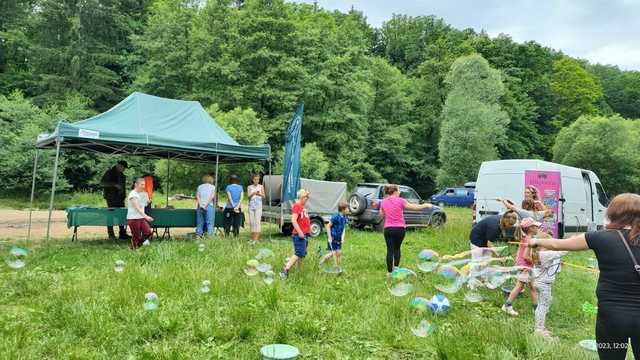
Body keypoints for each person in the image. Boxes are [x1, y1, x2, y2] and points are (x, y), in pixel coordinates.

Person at [529, 193, 640, 360]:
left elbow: (556, 244)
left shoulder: (599, 237)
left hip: (611, 317)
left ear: (613, 213)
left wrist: (535, 241)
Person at [379, 184, 433, 276]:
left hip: (388, 229)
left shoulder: (383, 202)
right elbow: (414, 207)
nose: (400, 192)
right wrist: (425, 205)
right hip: (400, 229)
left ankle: (389, 273)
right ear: (395, 191)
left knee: (390, 250)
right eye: (399, 190)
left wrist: (385, 211)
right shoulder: (401, 201)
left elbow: (381, 215)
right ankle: (396, 269)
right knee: (397, 249)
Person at [502, 218, 540, 316]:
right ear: (530, 228)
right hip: (525, 267)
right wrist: (537, 263)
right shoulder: (529, 240)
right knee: (519, 286)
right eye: (536, 226)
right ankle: (507, 305)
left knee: (533, 287)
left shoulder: (526, 238)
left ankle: (537, 309)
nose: (538, 228)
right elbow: (526, 256)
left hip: (526, 266)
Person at [528, 245, 568, 337]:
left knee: (543, 304)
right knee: (543, 306)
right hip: (544, 284)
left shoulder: (538, 253)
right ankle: (539, 330)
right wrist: (573, 241)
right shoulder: (545, 254)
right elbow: (563, 251)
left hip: (538, 282)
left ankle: (540, 327)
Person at [468, 210, 519, 279]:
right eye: (510, 225)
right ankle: (472, 282)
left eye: (512, 225)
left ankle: (484, 280)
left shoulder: (503, 219)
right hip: (476, 239)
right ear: (505, 220)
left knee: (487, 261)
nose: (510, 227)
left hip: (485, 239)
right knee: (477, 261)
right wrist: (499, 257)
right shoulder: (494, 227)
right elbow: (489, 244)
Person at [280, 189, 311, 279]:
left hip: (305, 234)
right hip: (299, 235)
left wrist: (307, 231)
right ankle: (285, 270)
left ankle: (299, 271)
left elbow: (304, 220)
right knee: (299, 253)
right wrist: (300, 232)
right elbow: (293, 220)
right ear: (301, 197)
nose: (307, 199)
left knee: (302, 254)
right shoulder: (297, 206)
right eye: (306, 197)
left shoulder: (302, 206)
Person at [101, 160, 130, 240]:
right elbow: (102, 183)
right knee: (110, 216)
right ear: (118, 165)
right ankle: (111, 234)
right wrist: (114, 185)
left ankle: (122, 234)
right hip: (111, 198)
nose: (124, 169)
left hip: (120, 198)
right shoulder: (109, 173)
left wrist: (124, 195)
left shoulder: (122, 175)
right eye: (123, 167)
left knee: (121, 216)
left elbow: (123, 187)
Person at [320, 202, 349, 269]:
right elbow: (328, 226)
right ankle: (334, 267)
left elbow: (343, 228)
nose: (348, 209)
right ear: (343, 209)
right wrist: (329, 237)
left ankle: (338, 267)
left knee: (339, 253)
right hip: (333, 237)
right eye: (347, 208)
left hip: (338, 238)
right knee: (334, 253)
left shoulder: (344, 217)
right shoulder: (335, 216)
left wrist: (342, 237)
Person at [127, 177, 154, 250]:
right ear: (136, 184)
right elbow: (137, 208)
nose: (143, 186)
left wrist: (148, 201)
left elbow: (144, 204)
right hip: (133, 218)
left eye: (144, 185)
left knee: (148, 232)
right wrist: (146, 216)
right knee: (136, 236)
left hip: (141, 218)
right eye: (142, 184)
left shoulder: (143, 194)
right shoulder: (132, 194)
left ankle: (136, 246)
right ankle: (134, 249)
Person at [247, 174, 265, 242]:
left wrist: (259, 194)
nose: (256, 181)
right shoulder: (249, 187)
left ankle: (256, 239)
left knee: (257, 222)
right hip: (251, 206)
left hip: (258, 206)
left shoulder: (261, 186)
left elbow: (264, 196)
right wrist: (253, 193)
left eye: (258, 179)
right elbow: (248, 197)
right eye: (255, 179)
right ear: (253, 180)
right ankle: (252, 238)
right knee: (252, 222)